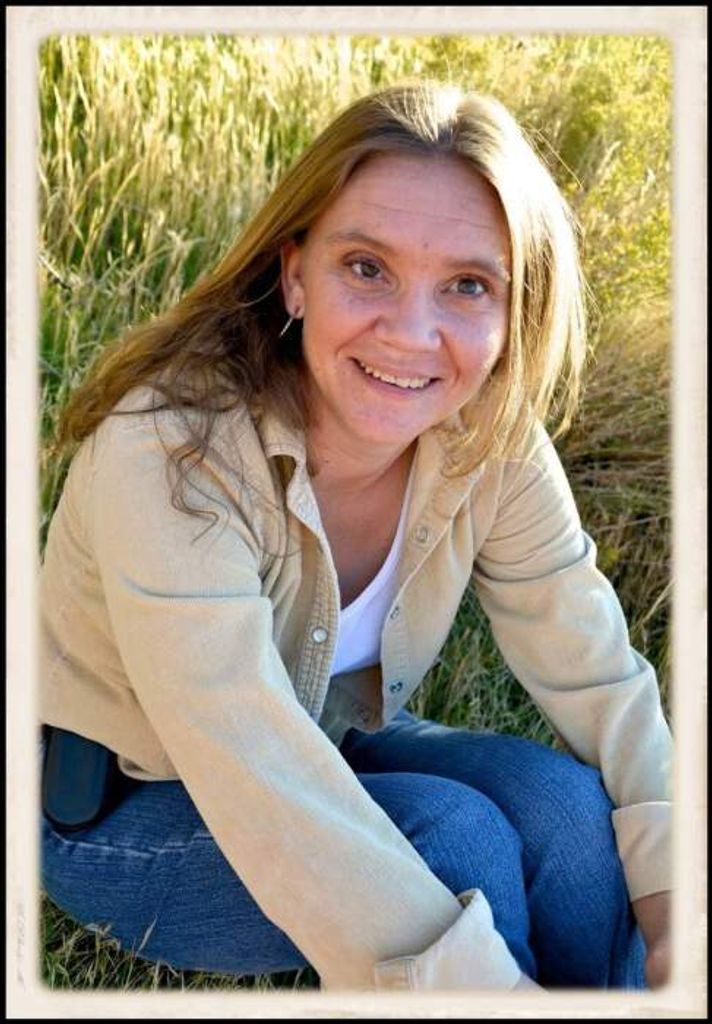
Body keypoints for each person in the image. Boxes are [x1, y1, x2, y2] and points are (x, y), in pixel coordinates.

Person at [39, 81, 672, 993]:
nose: (412, 334)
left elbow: (599, 673)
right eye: (367, 268)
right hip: (122, 803)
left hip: (322, 735)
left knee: (569, 813)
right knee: (457, 841)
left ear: (515, 311)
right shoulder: (171, 450)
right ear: (296, 274)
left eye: (468, 285)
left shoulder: (489, 436)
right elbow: (253, 769)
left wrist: (675, 901)